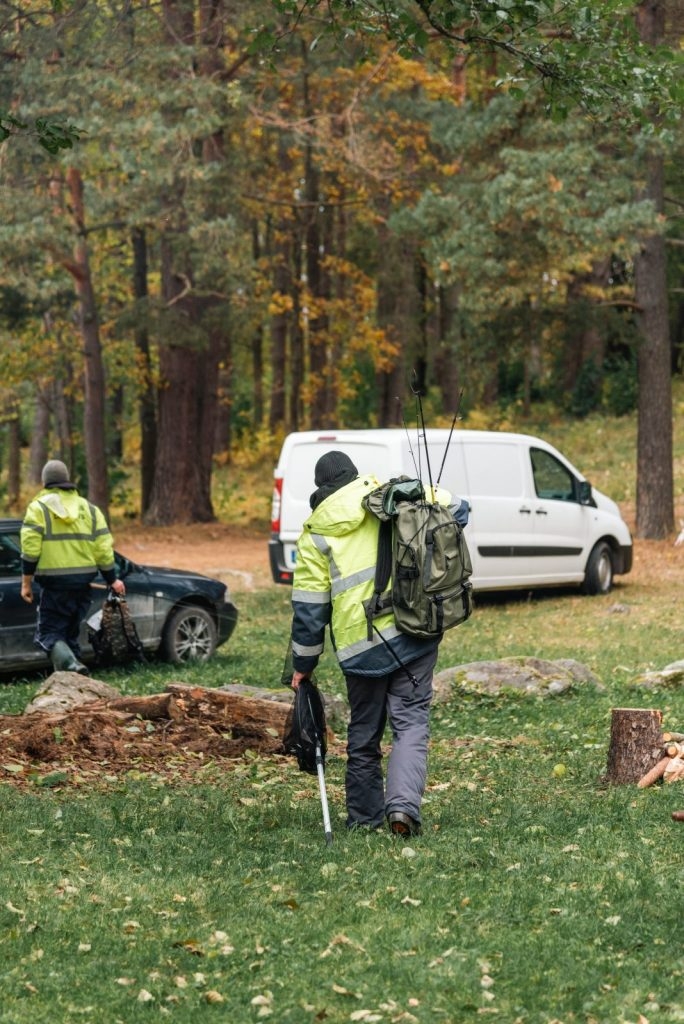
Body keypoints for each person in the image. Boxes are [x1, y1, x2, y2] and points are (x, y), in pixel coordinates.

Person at [289, 450, 469, 837]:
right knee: (411, 725)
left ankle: (364, 817)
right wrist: (421, 493)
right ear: (354, 477)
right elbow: (461, 509)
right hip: (414, 631)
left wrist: (302, 665)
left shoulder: (315, 535)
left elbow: (309, 610)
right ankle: (402, 809)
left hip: (361, 649)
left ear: (321, 489)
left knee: (364, 732)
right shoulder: (391, 497)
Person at [20, 459, 126, 674]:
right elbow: (103, 550)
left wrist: (26, 583)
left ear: (45, 481)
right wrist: (112, 579)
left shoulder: (38, 508)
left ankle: (72, 667)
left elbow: (30, 549)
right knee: (69, 635)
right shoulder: (90, 509)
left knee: (48, 634)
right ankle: (76, 683)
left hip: (55, 585)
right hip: (83, 585)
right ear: (67, 479)